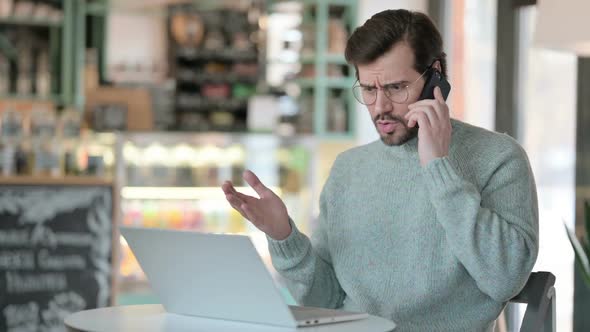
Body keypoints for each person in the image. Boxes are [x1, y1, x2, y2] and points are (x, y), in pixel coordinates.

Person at [222, 9, 538, 332]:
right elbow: (326, 301)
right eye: (369, 90)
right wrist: (284, 236)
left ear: (435, 77)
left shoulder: (499, 158)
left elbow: (505, 279)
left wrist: (438, 168)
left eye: (396, 87)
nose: (380, 107)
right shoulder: (348, 170)